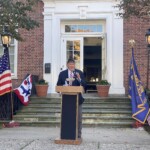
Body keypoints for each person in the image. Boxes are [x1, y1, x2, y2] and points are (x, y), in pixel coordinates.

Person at [57, 58, 86, 138]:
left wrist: (79, 78)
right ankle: (66, 134)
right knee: (66, 117)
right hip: (66, 100)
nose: (71, 65)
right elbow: (58, 85)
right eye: (70, 64)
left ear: (74, 65)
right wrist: (63, 88)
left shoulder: (79, 73)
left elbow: (85, 85)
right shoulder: (62, 74)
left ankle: (78, 135)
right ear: (67, 65)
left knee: (78, 118)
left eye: (73, 64)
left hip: (78, 99)